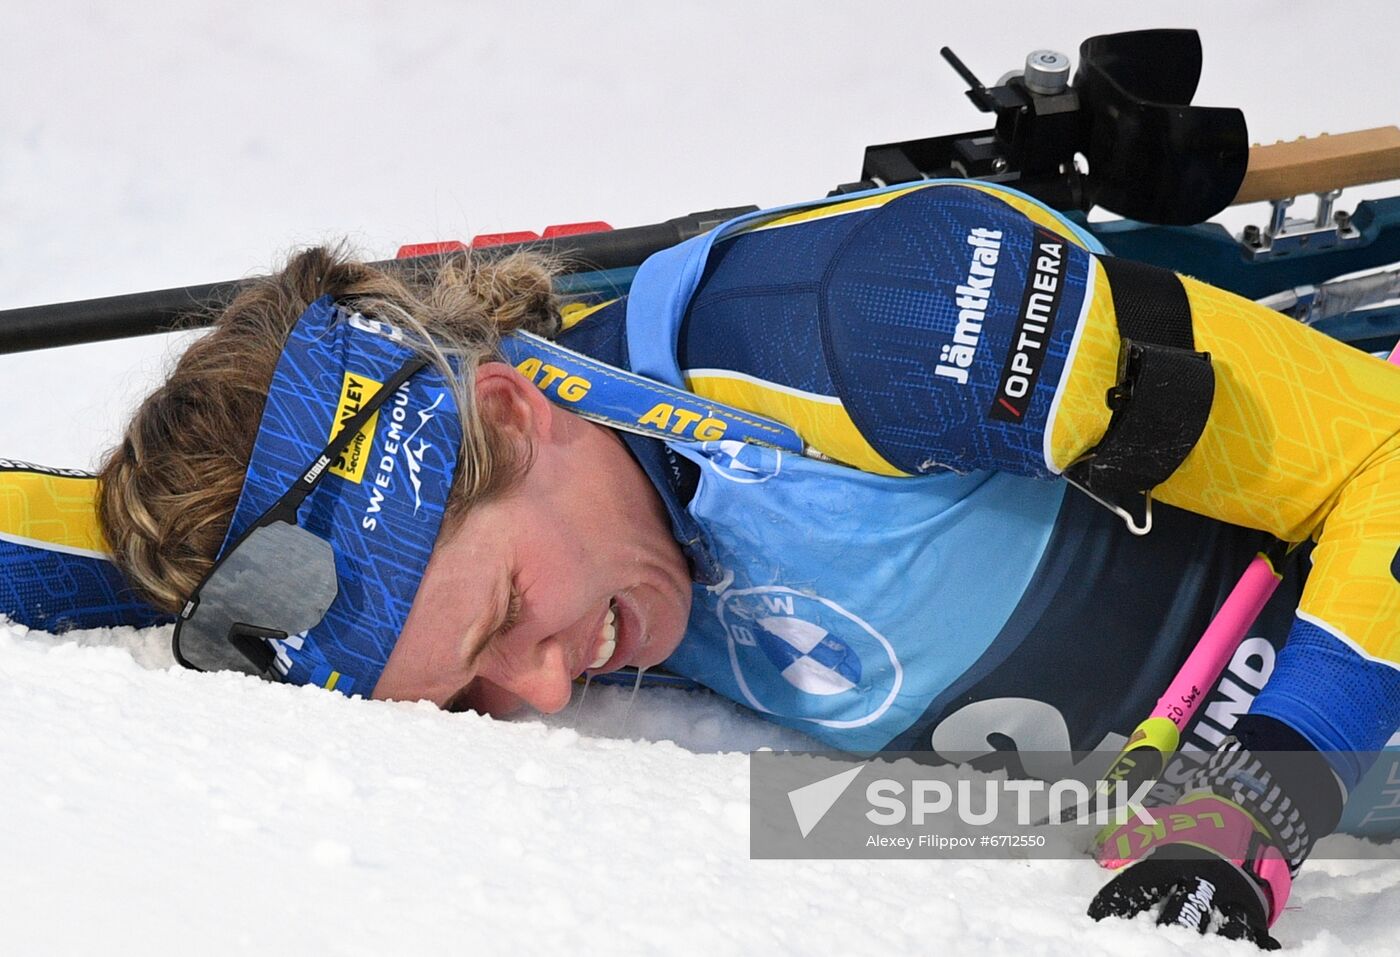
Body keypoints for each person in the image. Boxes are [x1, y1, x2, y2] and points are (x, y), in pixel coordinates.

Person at [97, 181, 1400, 946]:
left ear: (506, 411)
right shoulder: (603, 553)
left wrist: (1250, 812)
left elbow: (1385, 447)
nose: (542, 688)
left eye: (507, 615)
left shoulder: (854, 331)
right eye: (473, 688)